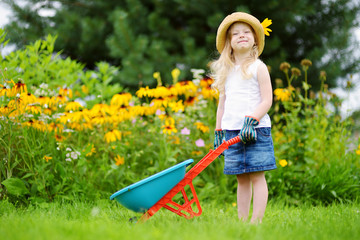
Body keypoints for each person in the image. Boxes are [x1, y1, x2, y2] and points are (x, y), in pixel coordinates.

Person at [210, 12, 277, 224]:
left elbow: (267, 100)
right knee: (241, 178)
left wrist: (252, 119)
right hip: (232, 132)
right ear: (229, 42)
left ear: (255, 39)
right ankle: (241, 221)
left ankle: (255, 222)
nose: (241, 35)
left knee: (257, 175)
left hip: (255, 131)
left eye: (246, 32)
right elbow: (222, 105)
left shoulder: (259, 67)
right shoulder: (226, 72)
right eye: (235, 33)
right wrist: (219, 131)